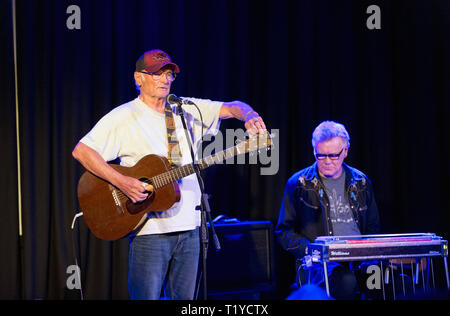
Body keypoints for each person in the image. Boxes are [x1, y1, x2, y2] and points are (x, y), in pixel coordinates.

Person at [72, 49, 266, 300]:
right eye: (156, 74)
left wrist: (249, 115)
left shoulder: (186, 110)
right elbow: (82, 151)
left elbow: (233, 107)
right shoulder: (123, 117)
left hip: (191, 229)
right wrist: (123, 182)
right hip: (150, 230)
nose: (164, 79)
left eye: (168, 73)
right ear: (138, 78)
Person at [275, 120, 381, 299]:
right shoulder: (299, 183)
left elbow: (372, 226)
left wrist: (368, 255)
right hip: (319, 263)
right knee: (345, 281)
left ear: (345, 151)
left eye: (333, 155)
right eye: (320, 155)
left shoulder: (361, 182)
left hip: (359, 259)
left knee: (388, 281)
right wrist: (313, 251)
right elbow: (283, 230)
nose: (327, 161)